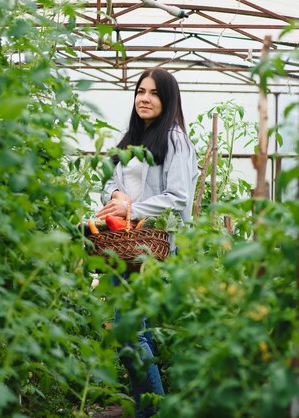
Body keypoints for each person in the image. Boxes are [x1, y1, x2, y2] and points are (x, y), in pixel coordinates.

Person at [94, 68, 199, 418]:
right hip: (123, 244)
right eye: (140, 91)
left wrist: (132, 207)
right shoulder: (129, 141)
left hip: (151, 245)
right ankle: (148, 410)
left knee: (129, 333)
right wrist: (115, 193)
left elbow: (179, 197)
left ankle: (155, 413)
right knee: (133, 333)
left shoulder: (173, 139)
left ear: (167, 100)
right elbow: (106, 183)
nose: (145, 98)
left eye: (154, 93)